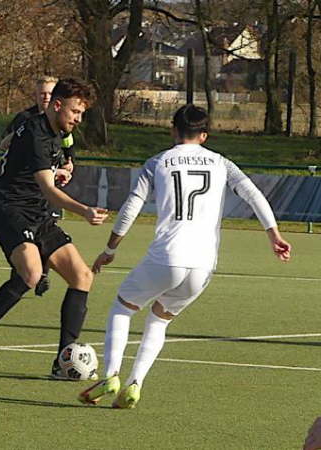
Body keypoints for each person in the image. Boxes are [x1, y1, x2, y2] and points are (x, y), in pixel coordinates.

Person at [78, 104, 292, 408]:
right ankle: (135, 383)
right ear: (204, 135)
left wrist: (110, 249)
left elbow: (130, 208)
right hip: (204, 264)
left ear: (173, 131)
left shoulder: (157, 162)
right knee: (159, 320)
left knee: (122, 307)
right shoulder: (222, 163)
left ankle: (111, 375)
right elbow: (254, 195)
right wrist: (274, 235)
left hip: (167, 256)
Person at [0, 78, 109, 379]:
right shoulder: (37, 133)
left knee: (82, 276)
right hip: (10, 209)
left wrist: (63, 169)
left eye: (81, 113)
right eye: (75, 112)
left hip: (38, 212)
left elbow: (47, 174)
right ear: (57, 105)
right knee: (31, 273)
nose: (78, 119)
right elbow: (49, 190)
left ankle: (63, 362)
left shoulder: (56, 131)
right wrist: (84, 211)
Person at [0, 75, 76, 296]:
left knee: (47, 226)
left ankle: (41, 272)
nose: (46, 97)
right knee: (26, 236)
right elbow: (5, 143)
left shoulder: (63, 122)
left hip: (47, 185)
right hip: (23, 188)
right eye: (42, 93)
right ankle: (28, 274)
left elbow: (68, 147)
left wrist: (68, 163)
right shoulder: (26, 118)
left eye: (50, 93)